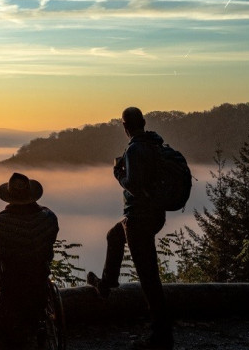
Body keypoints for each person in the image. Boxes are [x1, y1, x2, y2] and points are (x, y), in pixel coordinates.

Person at [87, 107, 174, 350]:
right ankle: (107, 284)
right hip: (155, 215)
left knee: (149, 278)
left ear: (125, 127)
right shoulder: (156, 144)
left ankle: (161, 337)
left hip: (139, 218)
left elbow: (133, 185)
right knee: (114, 236)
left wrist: (118, 173)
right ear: (144, 122)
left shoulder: (135, 148)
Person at [0, 172, 59, 350]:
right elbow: (50, 243)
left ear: (9, 198)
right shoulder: (49, 218)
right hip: (39, 277)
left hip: (11, 284)